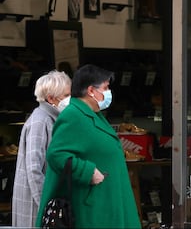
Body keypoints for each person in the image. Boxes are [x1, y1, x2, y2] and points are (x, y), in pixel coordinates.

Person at [35, 64, 141, 228]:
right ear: (91, 90)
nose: (108, 92)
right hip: (90, 208)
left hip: (104, 203)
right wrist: (87, 171)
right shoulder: (73, 115)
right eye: (105, 87)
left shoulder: (93, 114)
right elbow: (56, 154)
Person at [12, 70, 72, 228]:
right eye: (66, 95)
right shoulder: (40, 121)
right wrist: (46, 204)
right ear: (51, 98)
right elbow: (34, 169)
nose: (70, 100)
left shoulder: (52, 119)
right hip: (35, 207)